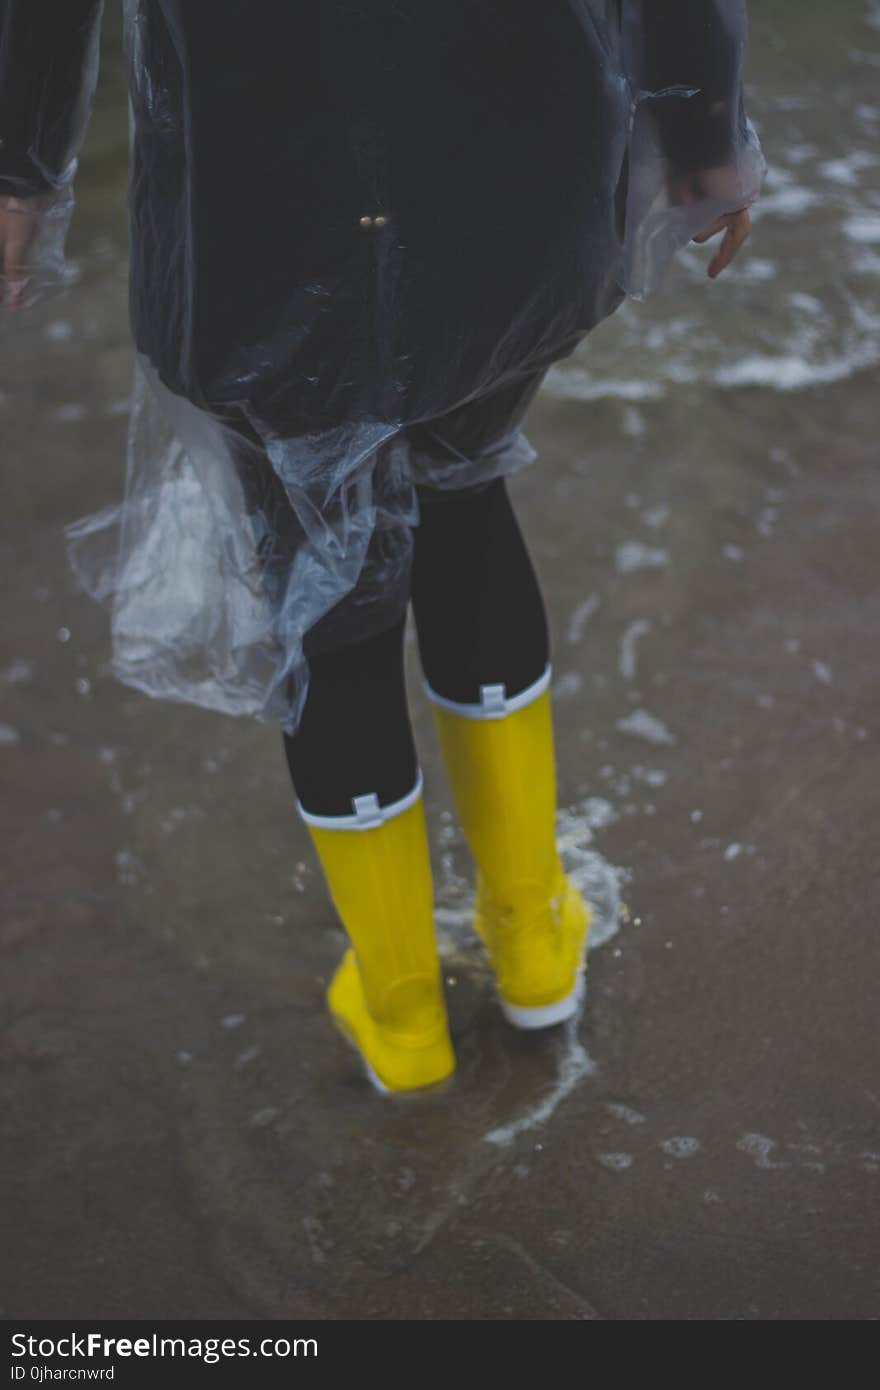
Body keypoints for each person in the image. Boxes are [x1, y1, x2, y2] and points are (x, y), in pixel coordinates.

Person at [0, 2, 764, 1093]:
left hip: (260, 192)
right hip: (522, 154)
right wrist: (703, 131)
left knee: (329, 592)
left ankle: (404, 1010)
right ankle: (534, 936)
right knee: (465, 492)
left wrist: (22, 165)